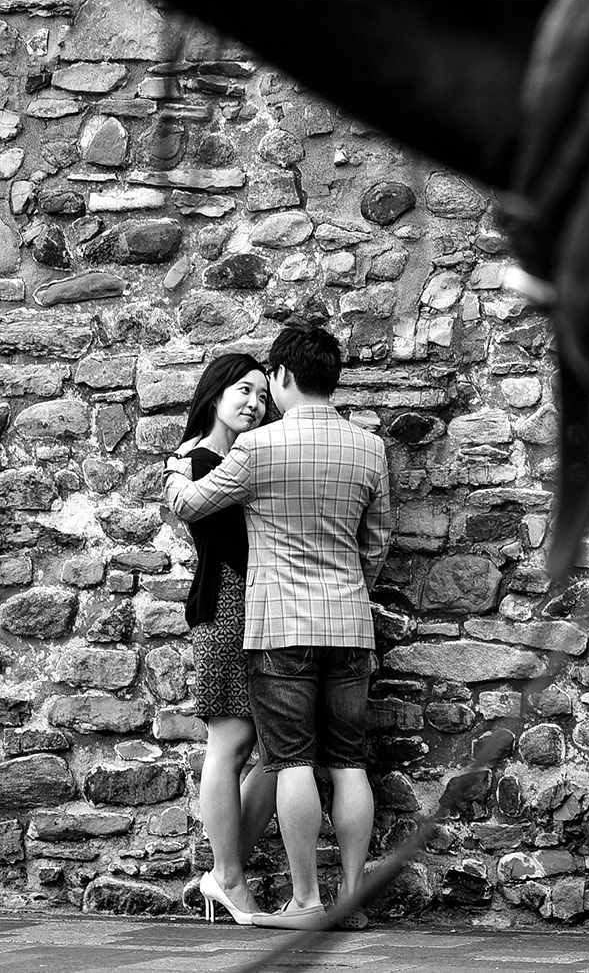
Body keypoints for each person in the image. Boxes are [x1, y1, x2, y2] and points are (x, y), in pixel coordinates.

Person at [165, 317, 389, 930]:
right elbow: (377, 544)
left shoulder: (257, 448)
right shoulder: (369, 448)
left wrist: (175, 468)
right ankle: (351, 904)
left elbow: (189, 503)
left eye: (269, 384)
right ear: (333, 380)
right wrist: (350, 591)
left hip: (281, 626)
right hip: (349, 624)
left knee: (291, 761)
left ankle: (308, 903)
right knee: (347, 762)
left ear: (285, 375)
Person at [170, 352, 281, 924]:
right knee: (232, 744)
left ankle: (225, 872)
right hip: (225, 610)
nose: (254, 404)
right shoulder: (202, 462)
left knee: (277, 750)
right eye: (243, 390)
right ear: (214, 394)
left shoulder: (229, 458)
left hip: (253, 613)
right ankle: (231, 878)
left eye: (262, 396)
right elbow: (230, 544)